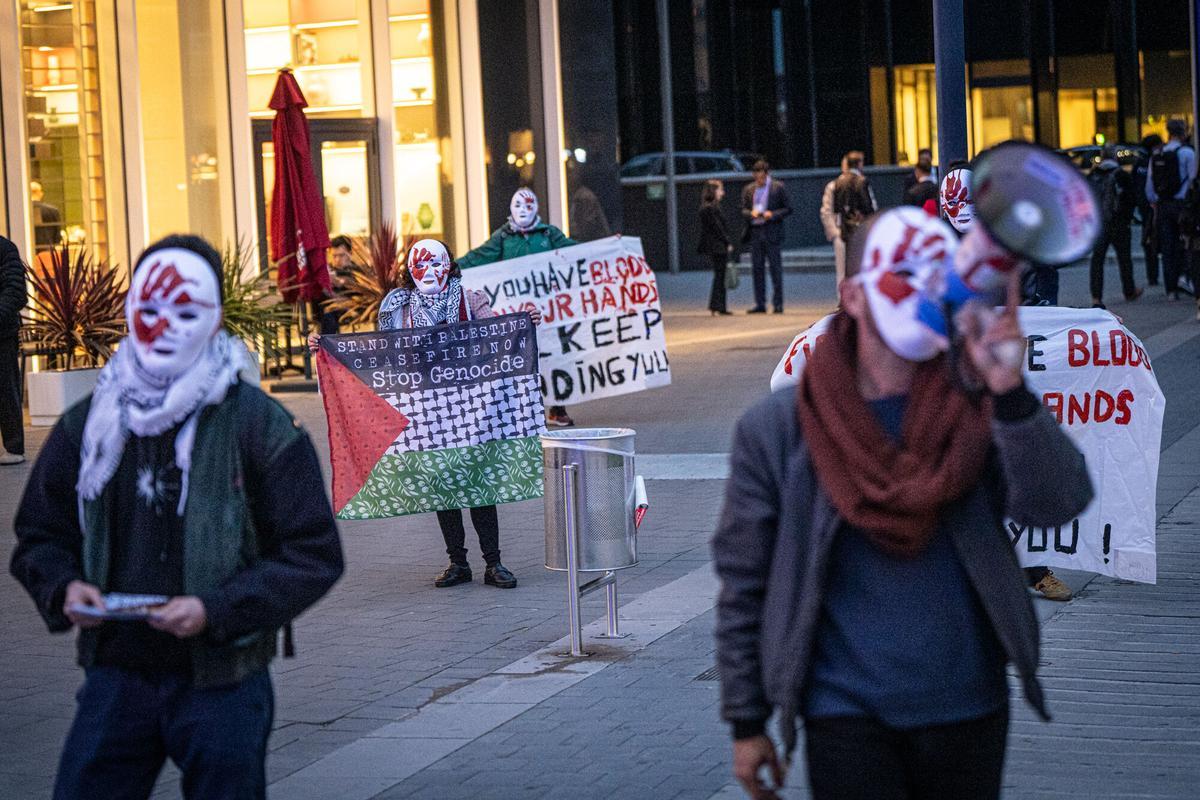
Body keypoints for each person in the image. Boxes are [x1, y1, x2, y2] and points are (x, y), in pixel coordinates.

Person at [713, 208, 1093, 800]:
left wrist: (1011, 394)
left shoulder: (977, 403)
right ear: (853, 297)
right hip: (845, 716)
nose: (924, 290)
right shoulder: (780, 430)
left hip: (969, 708)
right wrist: (746, 721)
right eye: (904, 273)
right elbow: (744, 582)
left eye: (939, 275)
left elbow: (1057, 503)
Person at [10, 234, 345, 800]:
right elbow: (40, 535)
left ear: (216, 322)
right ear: (128, 312)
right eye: (150, 309)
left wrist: (215, 611)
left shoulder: (259, 426)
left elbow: (312, 554)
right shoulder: (85, 425)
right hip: (116, 676)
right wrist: (62, 587)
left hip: (224, 681)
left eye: (186, 311)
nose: (164, 325)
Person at [309, 239, 540, 589]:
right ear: (410, 269)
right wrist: (327, 346)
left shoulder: (469, 298)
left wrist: (523, 323)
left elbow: (495, 335)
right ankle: (457, 562)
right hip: (427, 405)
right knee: (443, 482)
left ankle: (493, 562)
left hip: (471, 402)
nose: (429, 271)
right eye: (422, 264)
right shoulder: (398, 308)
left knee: (479, 481)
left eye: (437, 263)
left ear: (448, 265)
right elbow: (384, 350)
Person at [458, 188, 577, 427]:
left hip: (549, 308)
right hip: (518, 310)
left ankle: (557, 407)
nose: (524, 211)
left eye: (529, 206)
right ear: (511, 209)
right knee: (523, 355)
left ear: (537, 209)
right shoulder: (503, 237)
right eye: (519, 206)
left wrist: (608, 249)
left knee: (553, 353)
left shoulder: (549, 234)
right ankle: (525, 407)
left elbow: (574, 249)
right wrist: (452, 266)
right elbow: (479, 257)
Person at [1145, 118, 1197, 300]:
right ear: (1182, 132)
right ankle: (1186, 279)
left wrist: (1153, 201)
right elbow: (1193, 178)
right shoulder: (1187, 153)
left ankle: (1171, 289)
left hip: (1163, 204)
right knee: (1186, 243)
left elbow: (1150, 184)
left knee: (1167, 246)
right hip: (1182, 204)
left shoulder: (1158, 153)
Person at [1087, 144, 1142, 308]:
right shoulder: (1121, 175)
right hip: (1119, 223)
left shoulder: (1093, 174)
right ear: (1115, 157)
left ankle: (1096, 297)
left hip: (1099, 223)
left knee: (1097, 260)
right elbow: (1132, 198)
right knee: (1124, 258)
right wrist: (1127, 217)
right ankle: (1129, 290)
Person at [742, 160, 792, 314]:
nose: (759, 181)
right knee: (757, 269)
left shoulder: (778, 188)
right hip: (756, 232)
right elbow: (743, 209)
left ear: (767, 175)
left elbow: (789, 208)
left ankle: (778, 303)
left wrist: (773, 214)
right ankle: (760, 303)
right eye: (757, 178)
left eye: (762, 178)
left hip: (772, 231)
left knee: (775, 269)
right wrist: (750, 214)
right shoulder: (749, 189)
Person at [0, 234, 26, 465]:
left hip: (2, 335)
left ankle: (14, 447)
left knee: (6, 390)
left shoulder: (4, 249)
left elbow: (17, 292)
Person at [698, 180, 734, 315]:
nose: (722, 193)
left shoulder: (706, 207)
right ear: (713, 191)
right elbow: (718, 228)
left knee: (719, 275)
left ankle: (717, 305)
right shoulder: (712, 208)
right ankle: (719, 305)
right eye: (720, 190)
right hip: (718, 246)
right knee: (720, 275)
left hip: (713, 245)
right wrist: (727, 242)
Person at [1134, 134, 1163, 287]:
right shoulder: (1153, 161)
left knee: (1149, 240)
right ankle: (1160, 275)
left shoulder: (1139, 163)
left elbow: (1135, 186)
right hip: (1153, 206)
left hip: (1144, 207)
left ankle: (1152, 275)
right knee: (1159, 239)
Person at [832, 151, 876, 252]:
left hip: (846, 227)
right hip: (860, 225)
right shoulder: (861, 181)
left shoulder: (839, 182)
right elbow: (867, 204)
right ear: (859, 163)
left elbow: (837, 207)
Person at [819, 158, 850, 284]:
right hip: (841, 231)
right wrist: (835, 233)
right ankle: (844, 301)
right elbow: (826, 211)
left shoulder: (862, 183)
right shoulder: (834, 186)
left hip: (855, 233)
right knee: (842, 271)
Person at [30, 180, 62, 252]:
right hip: (48, 252)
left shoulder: (25, 212)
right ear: (41, 194)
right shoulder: (53, 211)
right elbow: (58, 236)